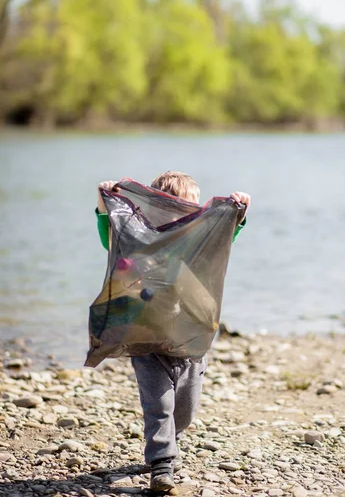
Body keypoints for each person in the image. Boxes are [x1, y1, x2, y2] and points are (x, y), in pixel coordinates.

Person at [95, 171, 250, 492]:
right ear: (156, 208)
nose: (185, 216)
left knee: (185, 410)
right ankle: (161, 464)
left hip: (189, 339)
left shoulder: (200, 242)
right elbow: (109, 233)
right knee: (158, 406)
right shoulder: (137, 239)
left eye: (190, 210)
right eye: (176, 208)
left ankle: (170, 441)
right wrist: (104, 201)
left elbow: (226, 236)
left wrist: (240, 212)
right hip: (146, 340)